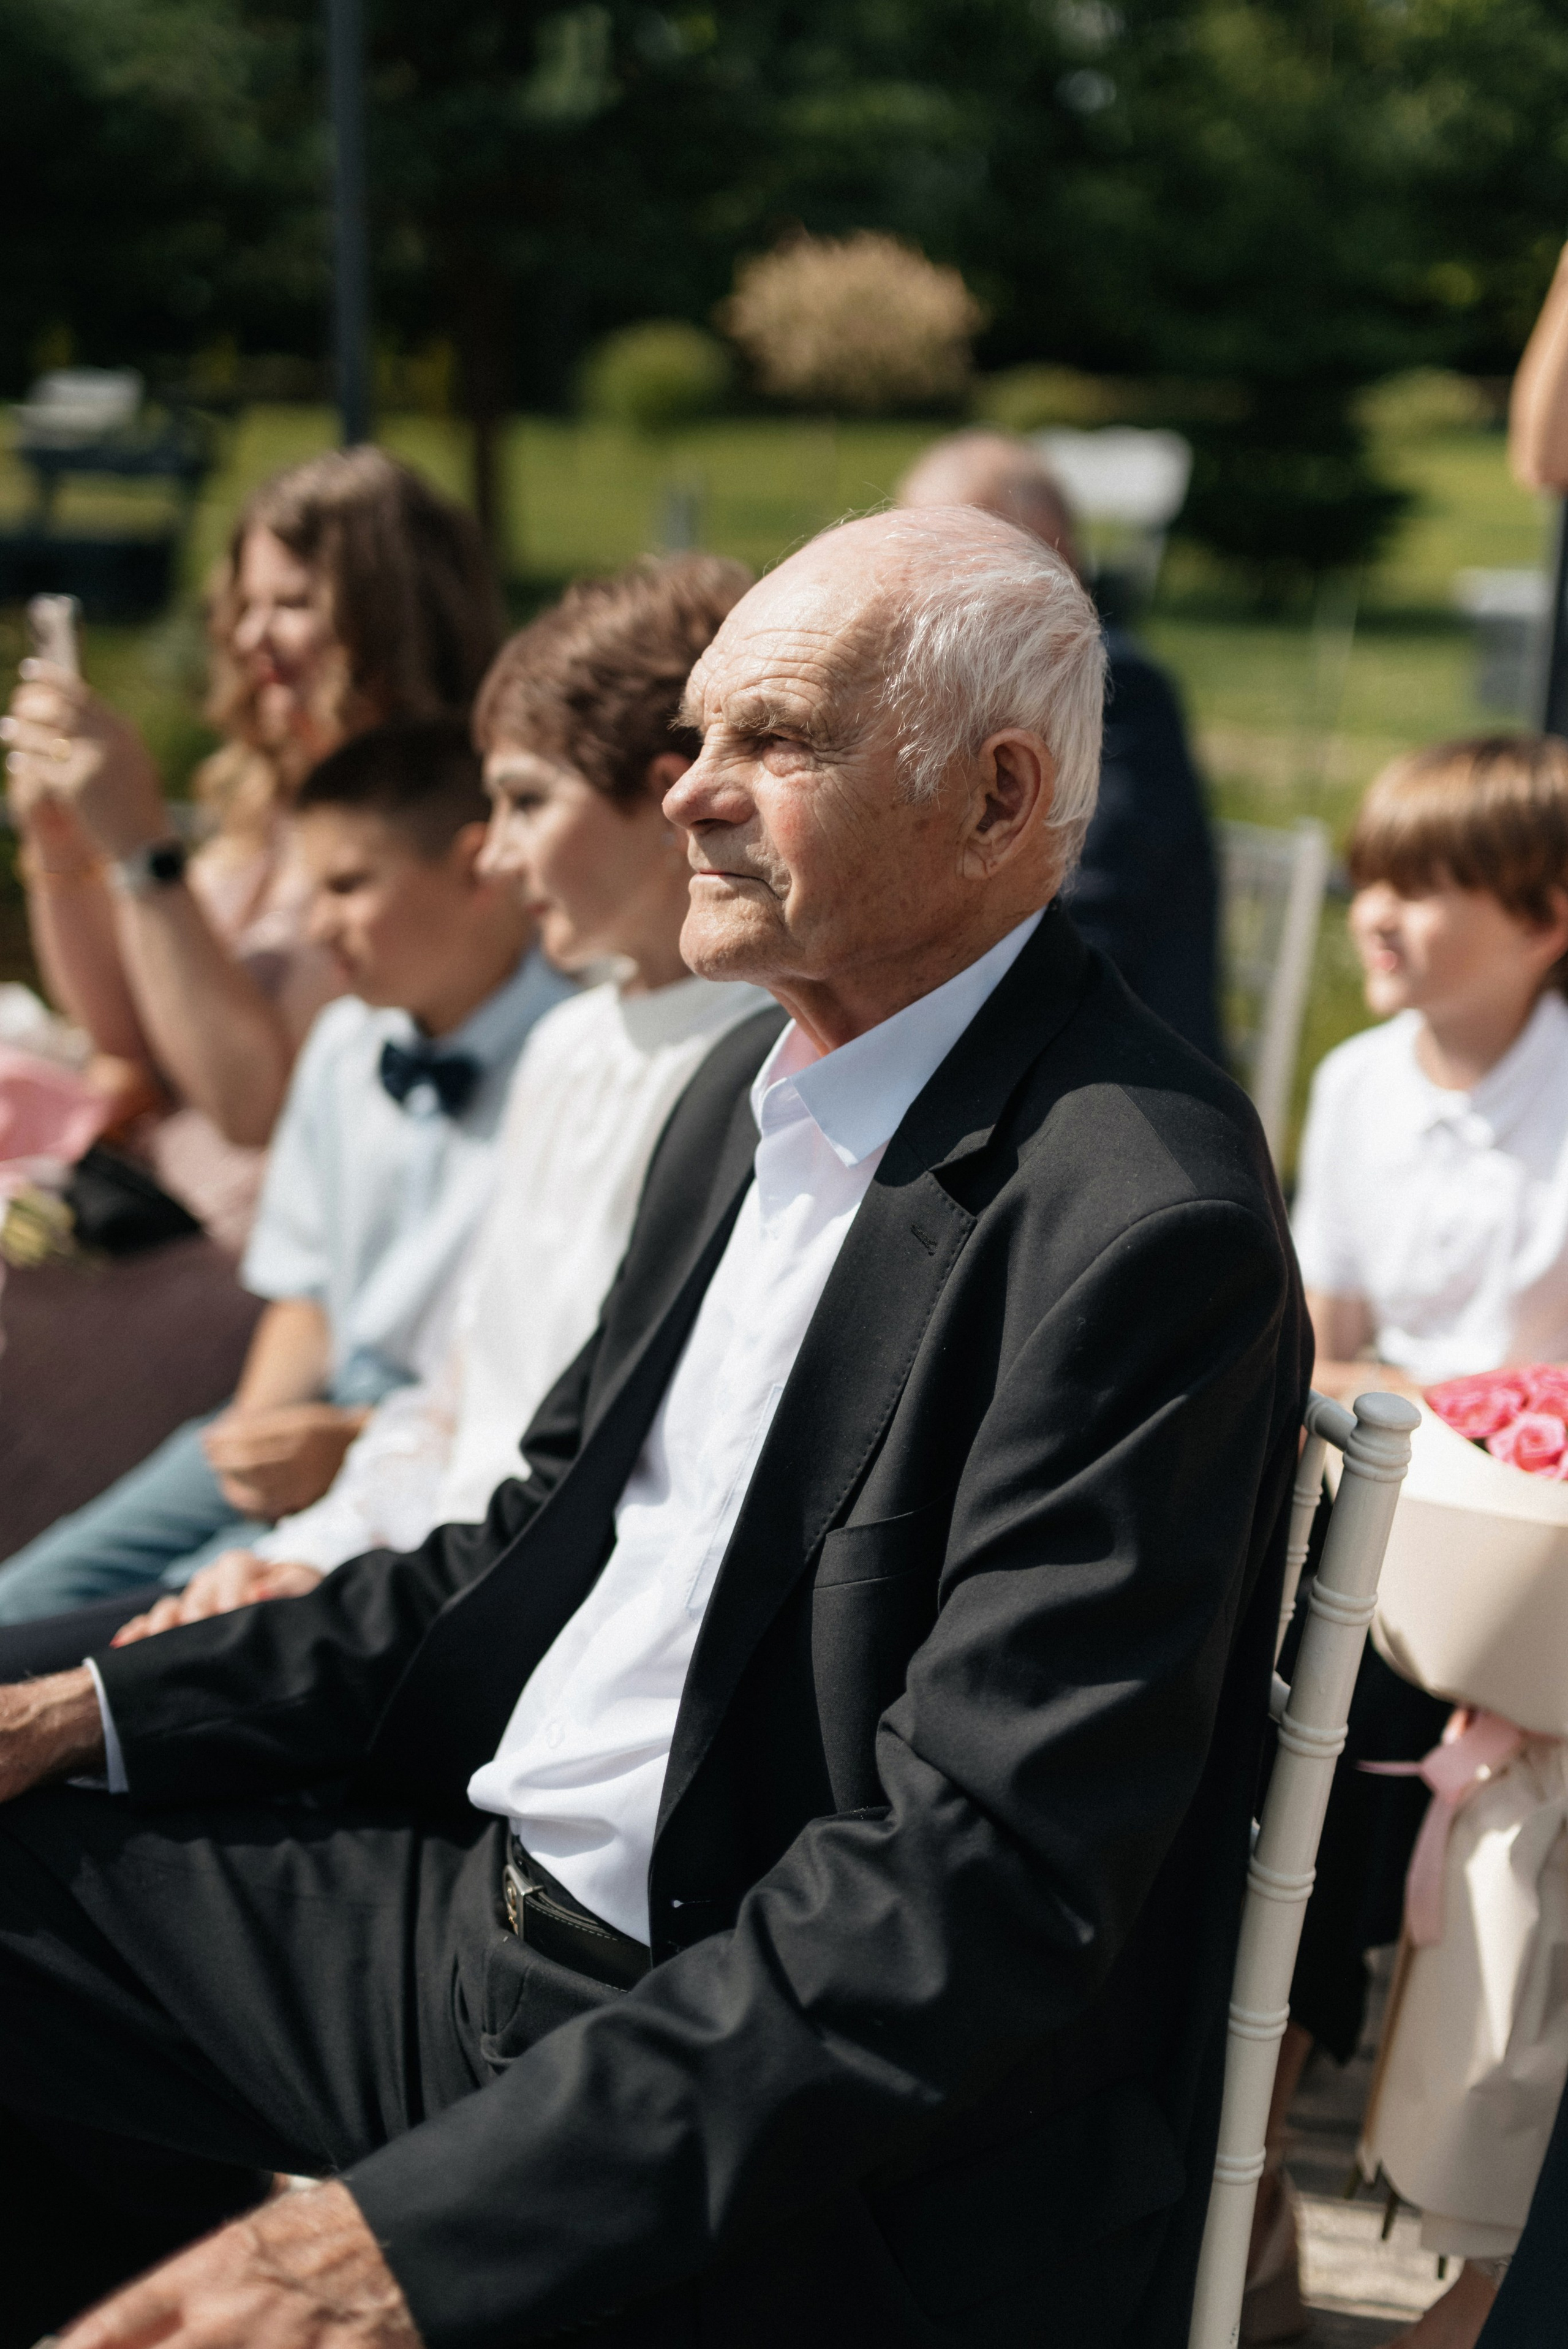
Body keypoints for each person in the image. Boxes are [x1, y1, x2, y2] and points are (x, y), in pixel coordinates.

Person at [0, 505, 1309, 2349]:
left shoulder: (1136, 1217)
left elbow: (975, 1889)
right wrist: (92, 1706)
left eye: (773, 741)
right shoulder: (745, 1104)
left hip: (760, 2097)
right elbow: (511, 1561)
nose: (690, 791)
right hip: (487, 1946)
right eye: (693, 738)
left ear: (999, 800)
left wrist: (409, 2241)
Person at [112, 553, 772, 1638]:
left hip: (488, 1616)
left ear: (669, 804)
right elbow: (457, 1395)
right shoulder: (569, 1044)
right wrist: (302, 1555)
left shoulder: (747, 1077)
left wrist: (326, 1598)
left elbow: (594, 1484)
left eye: (523, 804)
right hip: (389, 1546)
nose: (498, 859)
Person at [0, 449, 503, 1559]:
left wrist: (141, 847)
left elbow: (247, 1104)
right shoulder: (260, 802)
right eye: (245, 603)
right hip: (136, 1209)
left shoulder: (411, 835)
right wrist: (64, 851)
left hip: (250, 1267)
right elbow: (124, 1039)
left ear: (388, 612)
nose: (251, 635)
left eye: (293, 603)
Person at [0, 716, 568, 1638]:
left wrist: (341, 1452)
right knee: (19, 1607)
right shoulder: (347, 1043)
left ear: (479, 864)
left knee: (147, 1637)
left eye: (347, 885)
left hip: (443, 1446)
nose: (314, 924)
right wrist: (258, 1442)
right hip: (301, 1412)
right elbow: (305, 1296)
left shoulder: (581, 1061)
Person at [1253, 736, 1568, 2347]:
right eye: (1371, 876)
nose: (1376, 914)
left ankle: (1461, 2247)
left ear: (1545, 915)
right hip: (1388, 1520)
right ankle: (1255, 2173)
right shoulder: (1362, 1080)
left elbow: (1540, 1400)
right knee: (1295, 1721)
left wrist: (1403, 1391)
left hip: (1525, 1573)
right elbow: (1327, 1327)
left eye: (1426, 886)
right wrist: (1399, 1390)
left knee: (1411, 1760)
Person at [899, 427, 1225, 1063]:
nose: (907, 585)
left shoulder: (1115, 690)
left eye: (942, 555)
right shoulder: (947, 692)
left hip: (1109, 1078)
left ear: (1051, 558)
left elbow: (1078, 905)